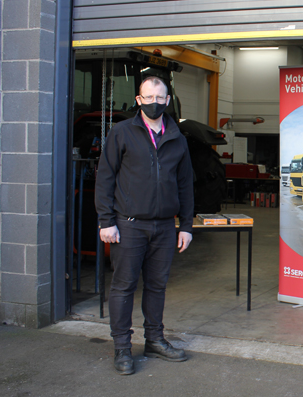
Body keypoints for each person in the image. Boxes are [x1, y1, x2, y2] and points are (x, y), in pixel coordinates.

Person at [95, 76, 194, 375]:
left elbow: (186, 184)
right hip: (129, 226)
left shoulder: (177, 137)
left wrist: (186, 225)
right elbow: (105, 178)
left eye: (160, 98)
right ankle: (122, 349)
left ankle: (154, 340)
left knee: (156, 287)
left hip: (164, 227)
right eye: (148, 97)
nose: (154, 102)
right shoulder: (122, 132)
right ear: (138, 100)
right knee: (123, 287)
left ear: (167, 101)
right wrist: (106, 221)